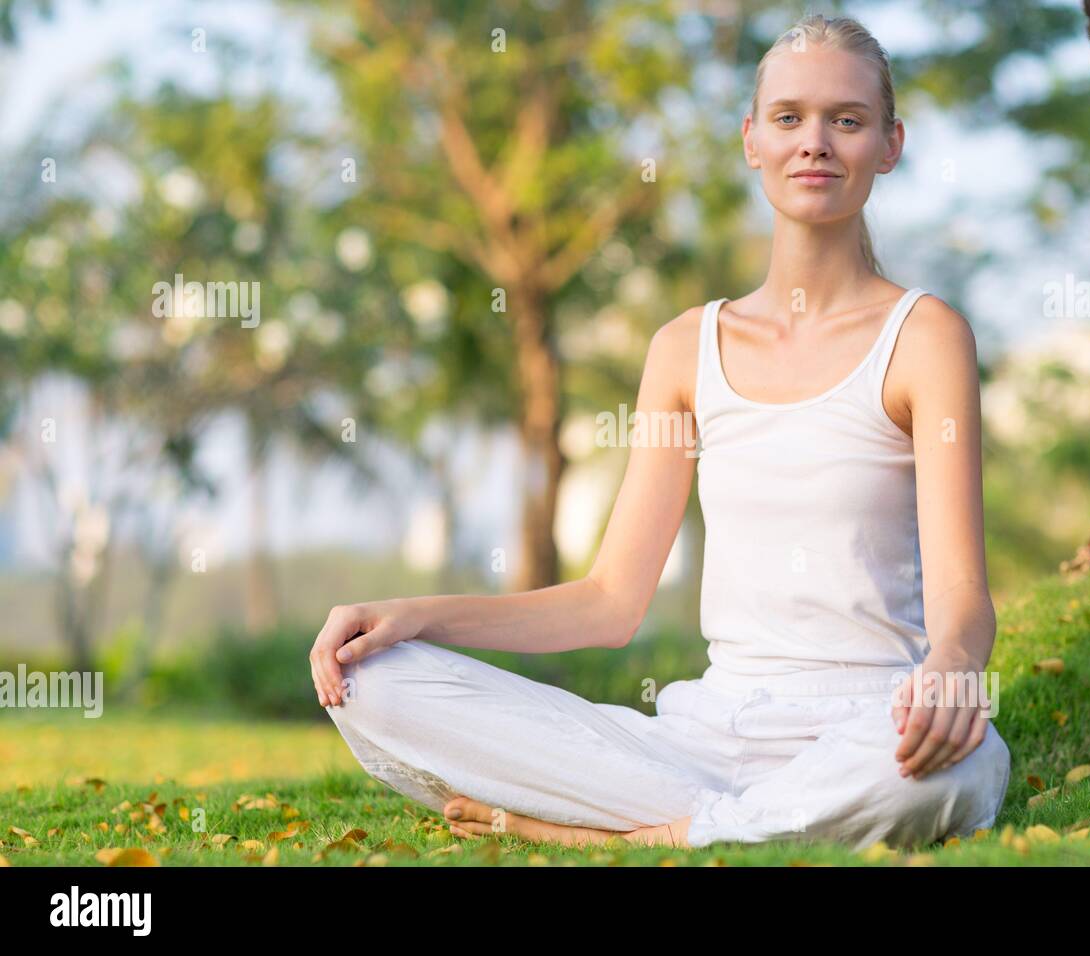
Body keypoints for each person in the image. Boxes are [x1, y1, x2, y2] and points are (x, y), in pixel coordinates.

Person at [310, 12, 1011, 852]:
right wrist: (412, 616)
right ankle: (725, 826)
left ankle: (635, 837)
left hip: (866, 729)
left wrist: (952, 667)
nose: (814, 142)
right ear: (752, 140)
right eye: (788, 118)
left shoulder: (924, 336)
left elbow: (964, 596)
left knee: (966, 761)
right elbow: (610, 603)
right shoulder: (686, 348)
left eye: (846, 120)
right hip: (702, 740)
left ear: (889, 144)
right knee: (378, 683)